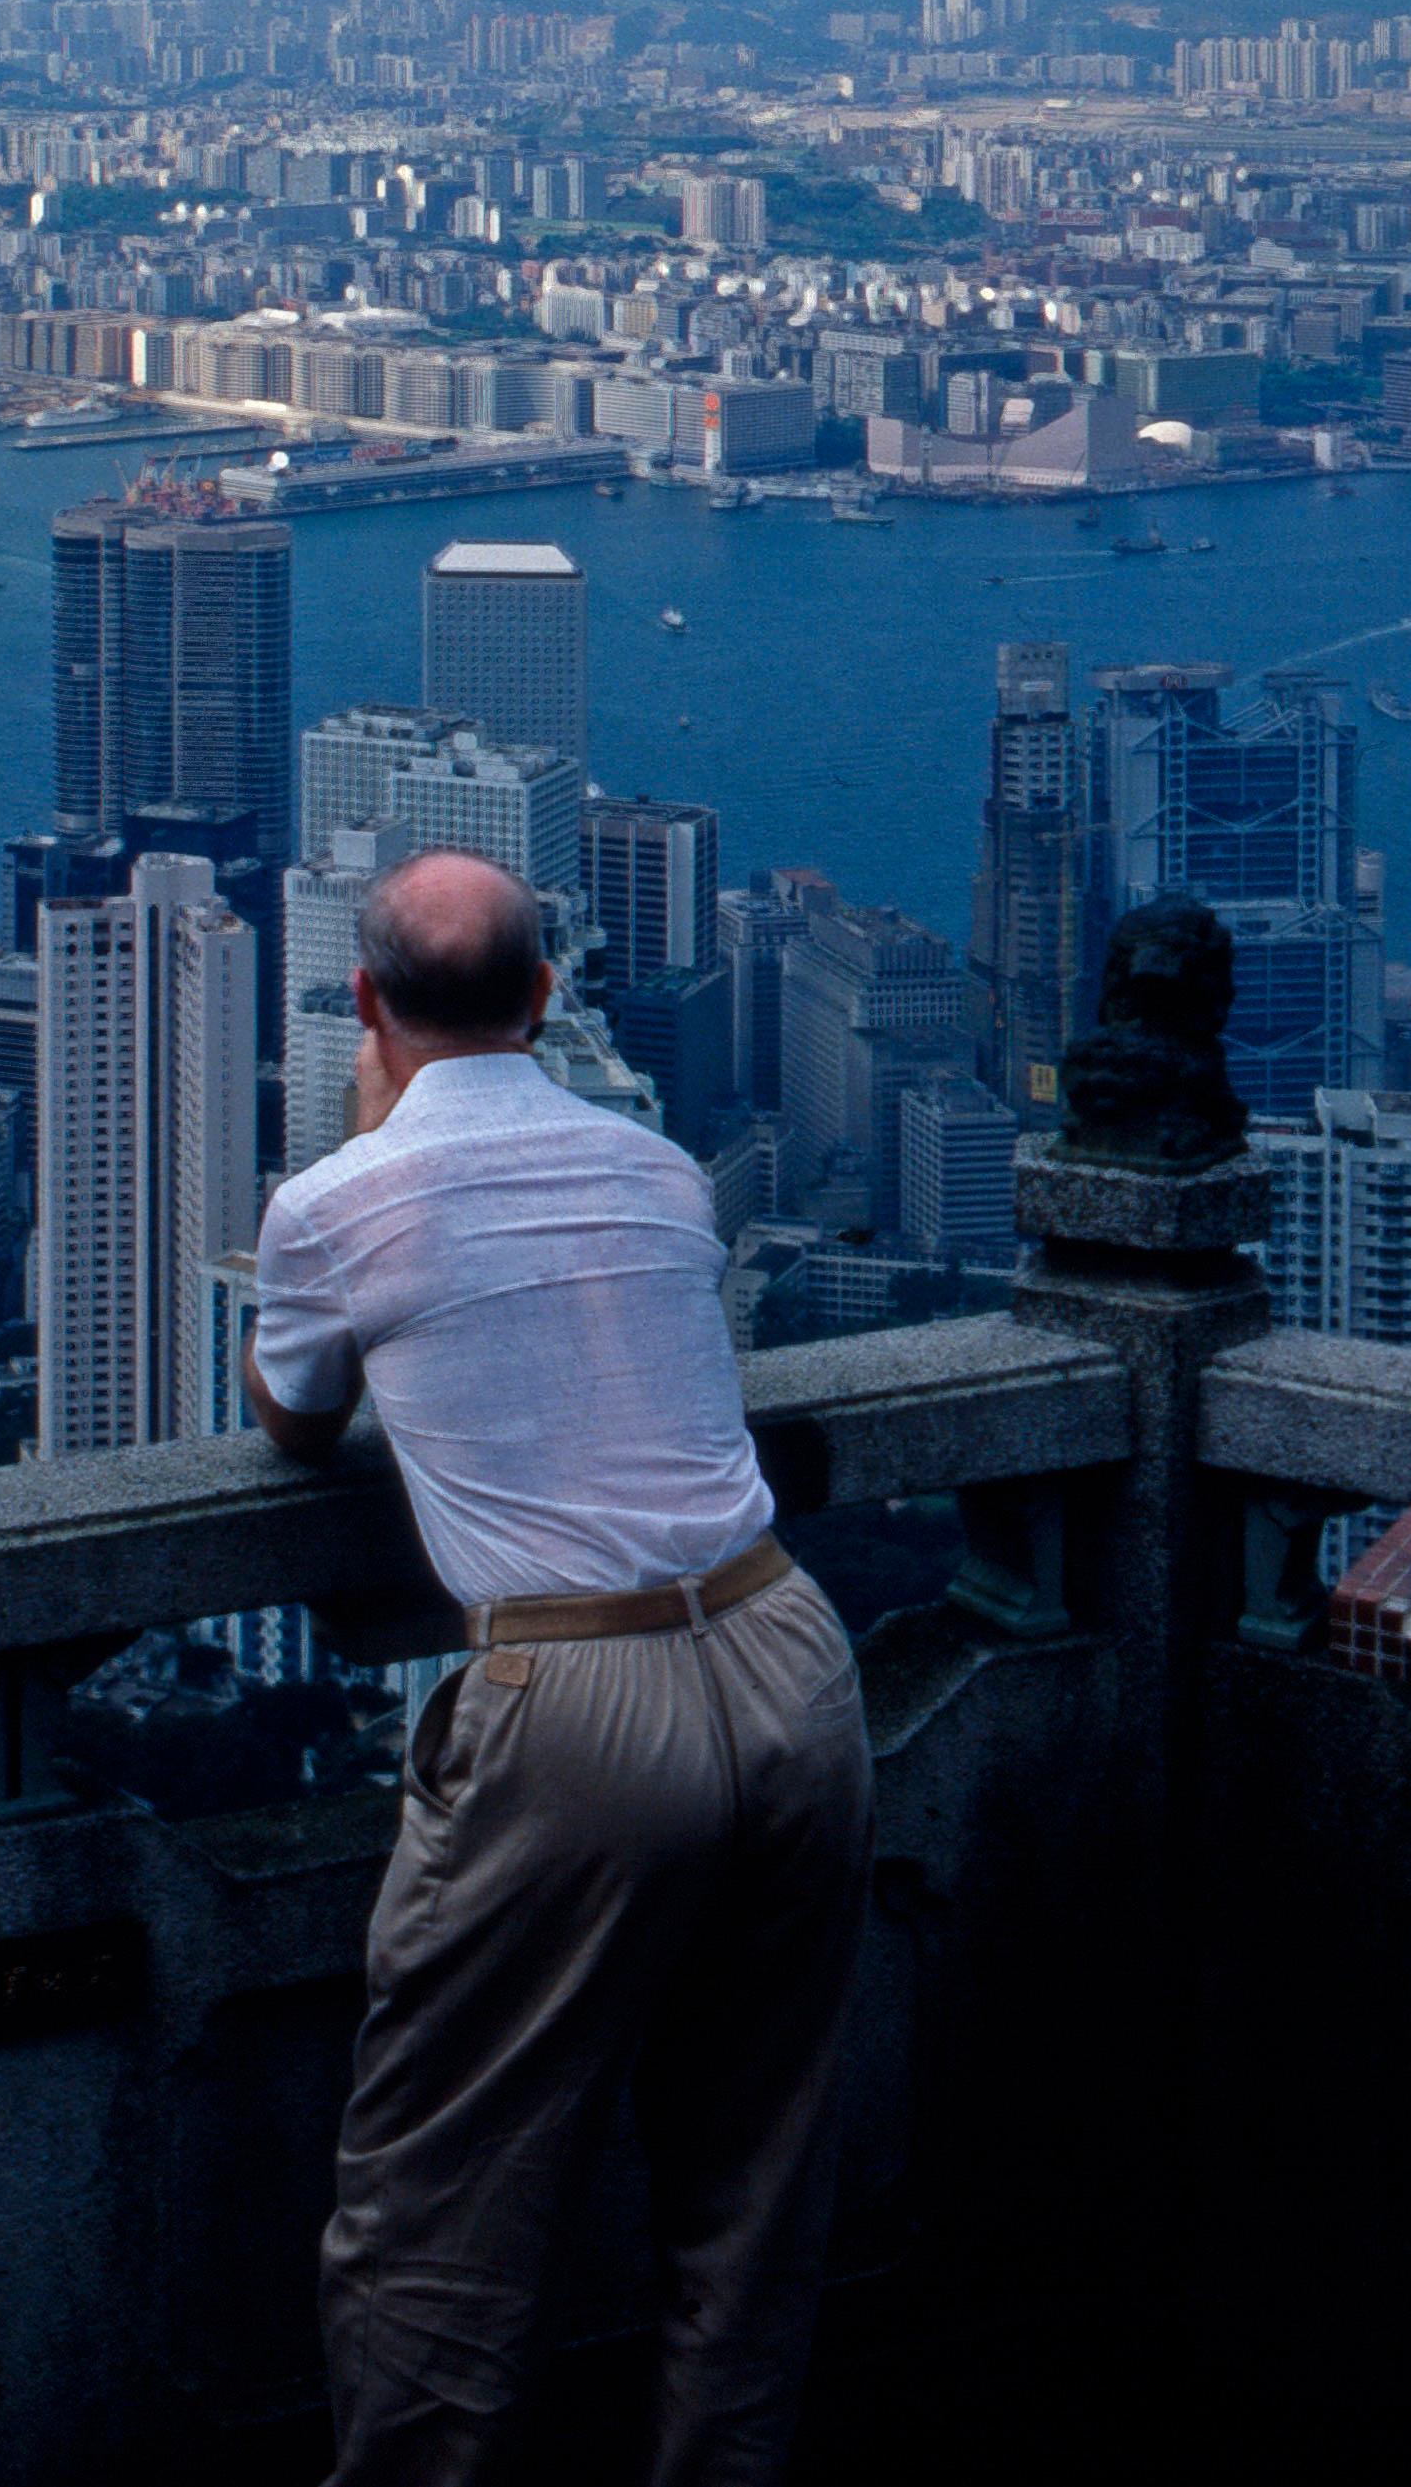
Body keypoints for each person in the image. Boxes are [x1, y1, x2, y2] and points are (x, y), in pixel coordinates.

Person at [247, 851, 871, 2487]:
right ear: (544, 997)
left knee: (444, 2202)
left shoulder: (332, 1206)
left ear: (365, 1005)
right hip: (790, 1655)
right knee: (753, 2183)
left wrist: (371, 1137)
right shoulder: (662, 1170)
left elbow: (294, 1419)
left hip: (578, 1707)